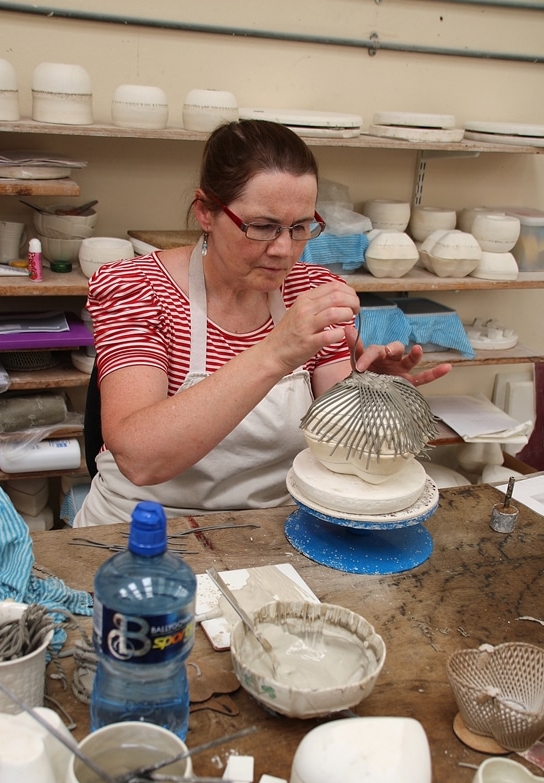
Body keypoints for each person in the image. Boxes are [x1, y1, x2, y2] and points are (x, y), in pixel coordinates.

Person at [75, 119, 450, 526]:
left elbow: (341, 446)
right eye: (262, 227)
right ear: (206, 211)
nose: (284, 250)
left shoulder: (313, 292)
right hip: (140, 530)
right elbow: (139, 459)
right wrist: (276, 351)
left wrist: (369, 392)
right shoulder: (138, 289)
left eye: (301, 227)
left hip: (273, 528)